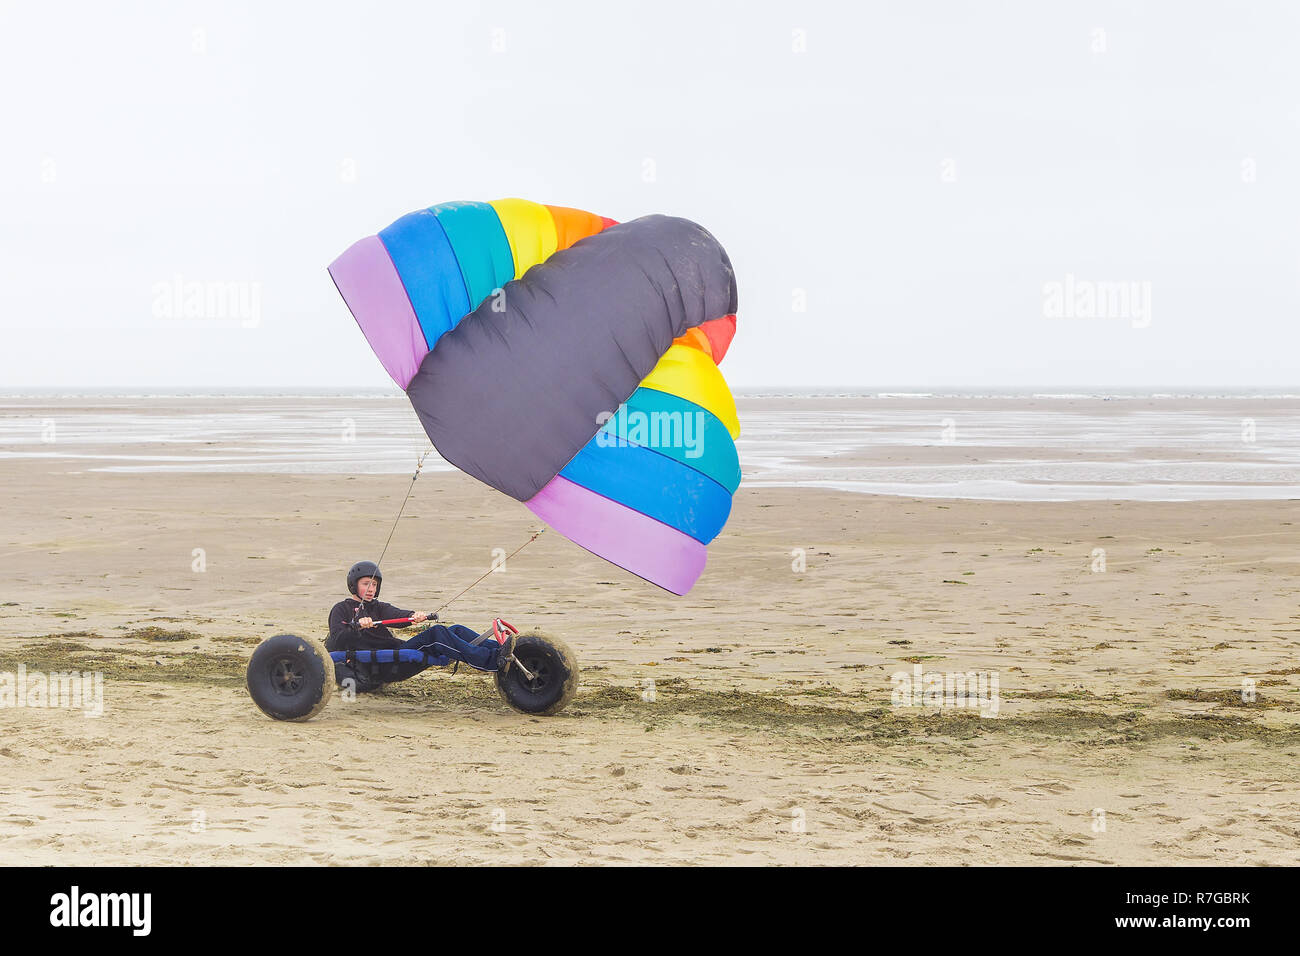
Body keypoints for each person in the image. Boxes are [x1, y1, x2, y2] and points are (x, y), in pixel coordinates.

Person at [326, 561, 515, 684]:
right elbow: (338, 639)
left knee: (455, 630)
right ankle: (490, 662)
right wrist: (358, 627)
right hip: (383, 662)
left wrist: (414, 616)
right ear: (354, 585)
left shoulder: (378, 606)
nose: (371, 589)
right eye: (366, 583)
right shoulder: (341, 609)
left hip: (397, 652)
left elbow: (397, 616)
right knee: (437, 634)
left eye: (374, 584)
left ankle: (503, 650)